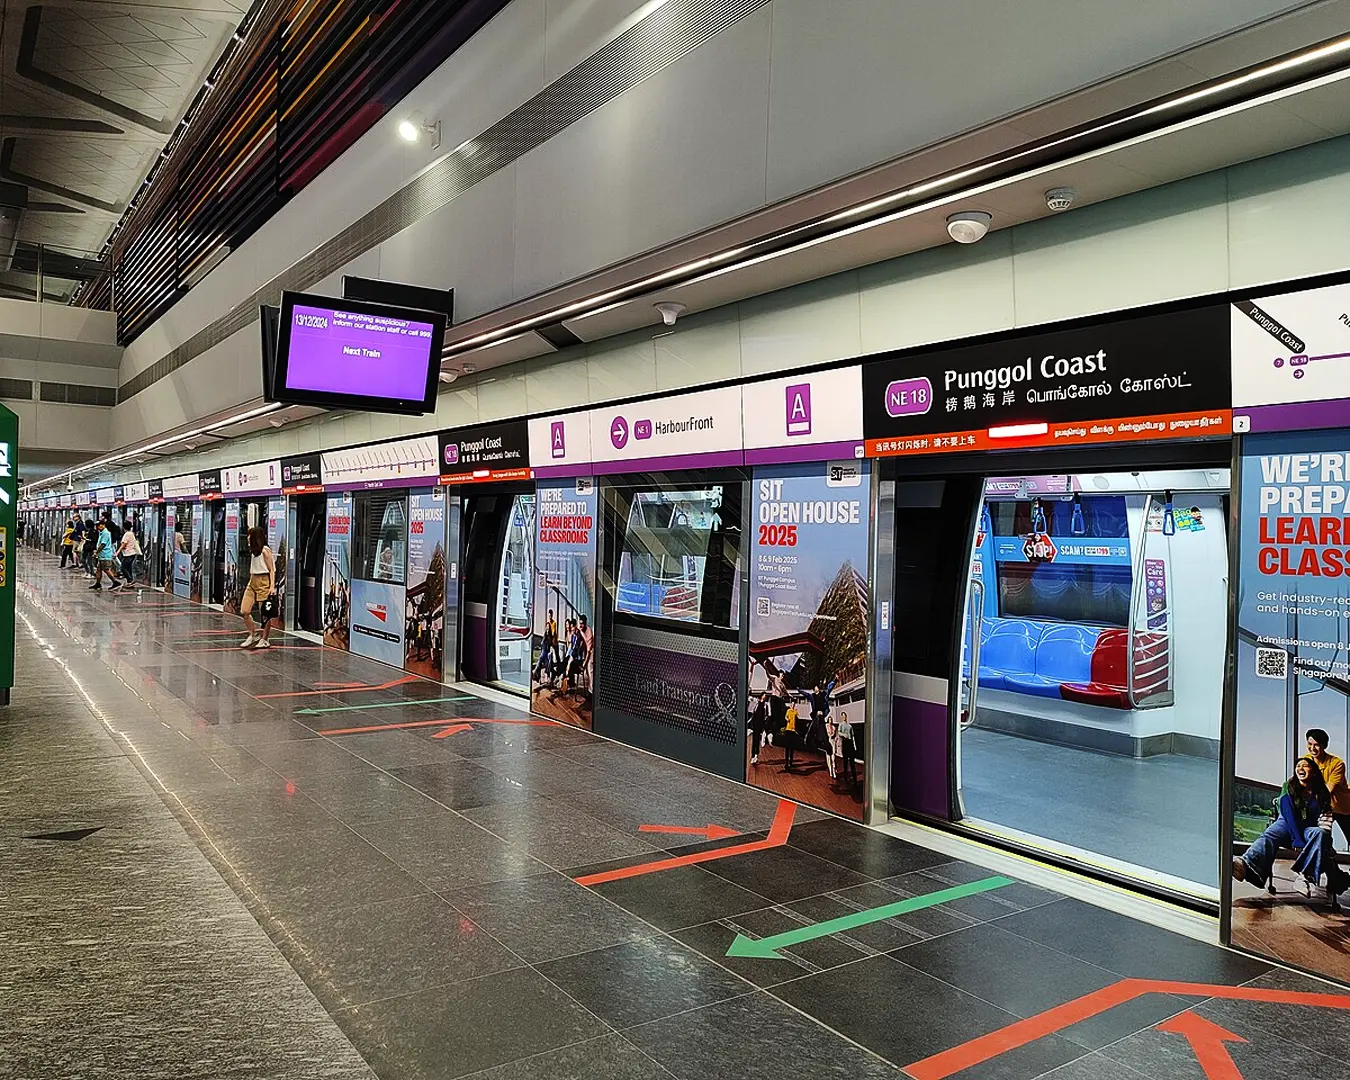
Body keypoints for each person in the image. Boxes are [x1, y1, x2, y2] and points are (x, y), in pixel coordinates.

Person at [1233, 756, 1349, 908]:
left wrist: (1323, 840)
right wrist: (1297, 840)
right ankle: (1244, 864)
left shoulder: (1321, 794)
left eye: (1305, 766)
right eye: (1298, 766)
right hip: (1288, 825)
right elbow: (1288, 815)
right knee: (1272, 832)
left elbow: (1324, 822)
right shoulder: (1289, 787)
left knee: (1320, 833)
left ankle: (1304, 876)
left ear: (1313, 772)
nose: (1300, 768)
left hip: (1309, 829)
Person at [1305, 728, 1350, 850]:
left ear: (1324, 746)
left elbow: (1328, 789)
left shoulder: (1337, 763)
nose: (1312, 748)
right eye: (1310, 744)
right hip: (1322, 806)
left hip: (1342, 807)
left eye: (1317, 745)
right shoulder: (1306, 761)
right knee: (1321, 838)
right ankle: (1333, 869)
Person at [239, 526, 276, 650]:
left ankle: (265, 639)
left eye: (250, 537)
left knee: (264, 613)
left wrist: (271, 586)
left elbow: (272, 570)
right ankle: (253, 634)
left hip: (263, 581)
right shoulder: (253, 551)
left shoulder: (265, 551)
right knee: (245, 611)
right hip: (253, 580)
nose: (248, 539)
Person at [89, 517, 125, 592]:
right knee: (99, 569)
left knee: (106, 569)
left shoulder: (105, 533)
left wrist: (96, 552)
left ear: (103, 525)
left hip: (105, 555)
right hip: (101, 555)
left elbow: (103, 544)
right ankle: (98, 583)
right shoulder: (101, 533)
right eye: (96, 526)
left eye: (99, 525)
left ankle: (115, 582)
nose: (97, 527)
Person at [534, 609, 557, 686]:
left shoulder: (550, 634)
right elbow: (542, 644)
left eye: (548, 627)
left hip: (546, 653)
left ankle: (536, 673)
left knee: (544, 660)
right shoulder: (544, 636)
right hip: (544, 653)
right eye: (546, 627)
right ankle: (538, 675)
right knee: (541, 659)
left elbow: (550, 645)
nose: (547, 628)